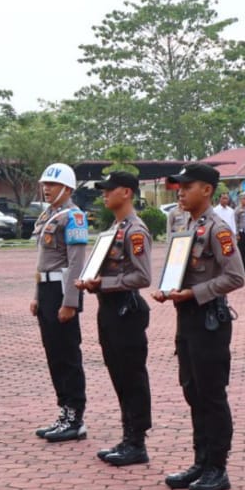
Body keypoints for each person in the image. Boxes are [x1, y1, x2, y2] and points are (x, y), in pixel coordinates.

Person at [153, 162, 245, 490]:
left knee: (211, 394)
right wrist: (168, 288)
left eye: (187, 186)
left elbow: (235, 277)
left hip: (209, 320)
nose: (180, 192)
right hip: (186, 316)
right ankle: (200, 461)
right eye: (179, 186)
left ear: (206, 190)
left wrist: (195, 292)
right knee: (192, 389)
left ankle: (217, 468)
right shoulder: (183, 223)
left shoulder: (218, 228)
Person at [75, 171, 153, 467]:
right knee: (118, 373)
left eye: (110, 189)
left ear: (127, 193)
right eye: (103, 190)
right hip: (110, 308)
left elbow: (142, 276)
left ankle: (137, 441)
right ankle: (127, 437)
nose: (104, 194)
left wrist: (102, 284)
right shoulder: (115, 228)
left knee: (132, 375)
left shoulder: (135, 230)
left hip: (126, 309)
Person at [29, 162, 90, 444]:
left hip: (62, 288)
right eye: (45, 184)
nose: (46, 188)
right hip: (46, 288)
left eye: (51, 185)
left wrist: (71, 302)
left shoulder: (74, 217)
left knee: (67, 354)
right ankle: (63, 411)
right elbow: (42, 261)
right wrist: (36, 295)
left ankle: (75, 417)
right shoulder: (49, 214)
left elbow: (76, 263)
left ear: (66, 188)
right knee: (53, 354)